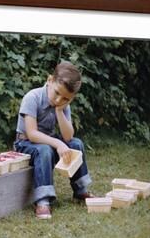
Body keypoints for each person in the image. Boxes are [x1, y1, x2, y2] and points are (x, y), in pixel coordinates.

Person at [14, 61, 94, 220]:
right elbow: (32, 134)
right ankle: (43, 200)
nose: (59, 100)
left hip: (48, 143)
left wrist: (59, 110)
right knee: (44, 149)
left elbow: (68, 137)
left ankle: (80, 191)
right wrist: (58, 144)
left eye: (65, 98)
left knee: (76, 144)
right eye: (57, 93)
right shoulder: (32, 97)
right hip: (25, 144)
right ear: (50, 80)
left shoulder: (62, 104)